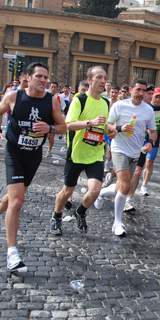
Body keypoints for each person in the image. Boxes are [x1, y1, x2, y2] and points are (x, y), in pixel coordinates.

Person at [0, 62, 66, 273]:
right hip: (14, 151)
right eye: (39, 76)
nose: (43, 80)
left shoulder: (52, 101)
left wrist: (49, 127)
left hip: (34, 154)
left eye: (46, 77)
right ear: (28, 78)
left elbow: (64, 127)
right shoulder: (14, 96)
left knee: (18, 193)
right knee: (18, 200)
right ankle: (12, 252)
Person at [51, 66, 115, 236]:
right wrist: (90, 122)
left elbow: (104, 125)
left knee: (95, 190)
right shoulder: (79, 100)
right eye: (99, 78)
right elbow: (68, 125)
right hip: (77, 154)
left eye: (105, 78)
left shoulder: (105, 103)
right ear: (90, 80)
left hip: (95, 154)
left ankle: (80, 211)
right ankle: (57, 216)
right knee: (68, 191)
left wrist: (112, 130)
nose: (103, 81)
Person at [94, 79, 157, 236]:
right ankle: (117, 222)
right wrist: (120, 128)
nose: (141, 93)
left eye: (144, 90)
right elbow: (107, 126)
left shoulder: (148, 110)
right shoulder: (119, 105)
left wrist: (150, 142)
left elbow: (153, 132)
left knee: (121, 187)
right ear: (130, 89)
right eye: (138, 90)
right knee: (125, 185)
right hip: (119, 148)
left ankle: (101, 193)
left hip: (136, 151)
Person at [138, 87, 160, 197]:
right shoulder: (146, 107)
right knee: (137, 164)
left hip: (154, 139)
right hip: (142, 138)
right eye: (156, 97)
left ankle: (144, 185)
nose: (158, 99)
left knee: (149, 162)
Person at [45, 81, 60, 157]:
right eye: (52, 87)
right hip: (45, 117)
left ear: (57, 88)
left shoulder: (59, 97)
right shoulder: (45, 95)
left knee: (51, 136)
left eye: (55, 87)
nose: (53, 89)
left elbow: (63, 107)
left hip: (54, 119)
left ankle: (49, 150)